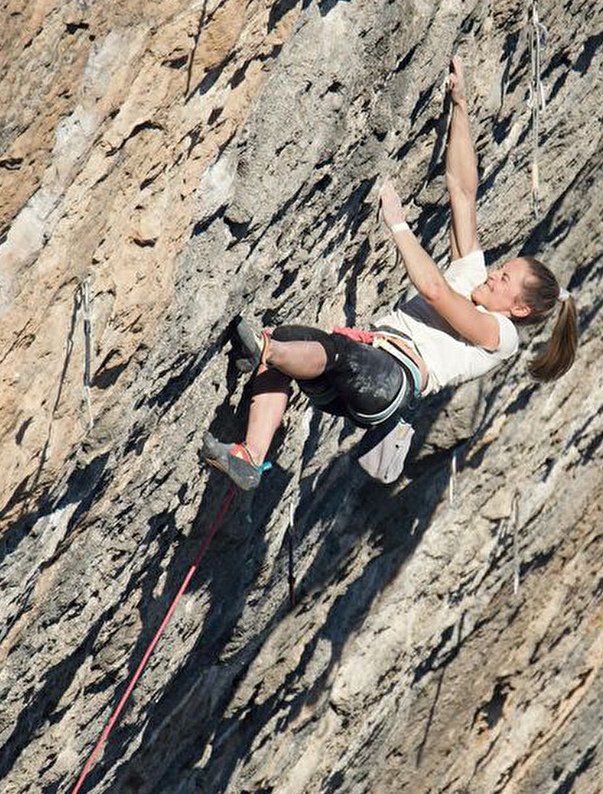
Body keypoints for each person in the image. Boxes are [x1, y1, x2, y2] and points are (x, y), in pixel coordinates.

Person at [201, 55, 578, 491]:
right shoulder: (473, 275)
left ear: (519, 308)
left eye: (504, 280)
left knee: (328, 352)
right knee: (294, 338)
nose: (494, 274)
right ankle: (250, 455)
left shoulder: (501, 336)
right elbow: (463, 191)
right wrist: (460, 106)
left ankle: (265, 349)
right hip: (364, 368)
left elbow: (435, 291)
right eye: (501, 269)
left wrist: (399, 225)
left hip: (390, 382)